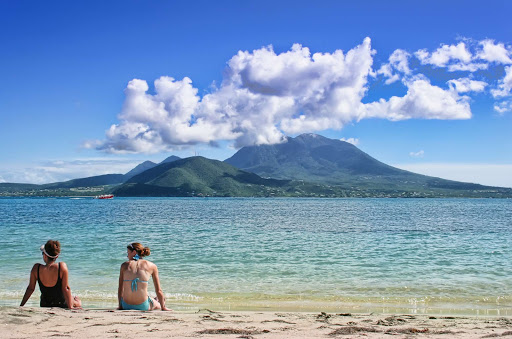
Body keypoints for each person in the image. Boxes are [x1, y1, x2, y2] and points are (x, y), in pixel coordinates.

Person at [20, 240, 81, 309]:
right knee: (74, 300)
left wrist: (21, 305)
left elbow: (30, 288)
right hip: (61, 304)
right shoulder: (61, 267)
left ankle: (75, 302)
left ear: (45, 256)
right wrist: (70, 307)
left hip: (45, 304)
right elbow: (66, 288)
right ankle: (77, 303)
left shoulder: (36, 268)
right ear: (56, 257)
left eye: (42, 253)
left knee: (72, 298)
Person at [118, 242, 170, 311]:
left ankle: (155, 300)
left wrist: (120, 306)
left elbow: (120, 289)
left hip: (126, 305)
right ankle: (157, 301)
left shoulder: (124, 266)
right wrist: (163, 307)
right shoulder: (152, 266)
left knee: (153, 299)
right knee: (160, 299)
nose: (127, 256)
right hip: (143, 306)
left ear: (134, 252)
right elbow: (158, 290)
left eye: (128, 253)